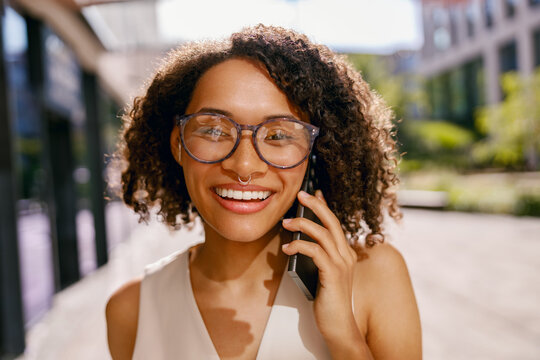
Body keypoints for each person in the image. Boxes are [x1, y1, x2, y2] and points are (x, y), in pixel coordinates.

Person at [105, 25, 421, 360]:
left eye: (279, 135)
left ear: (316, 154)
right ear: (178, 144)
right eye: (214, 130)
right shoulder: (131, 312)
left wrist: (344, 336)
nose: (244, 166)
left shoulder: (374, 276)